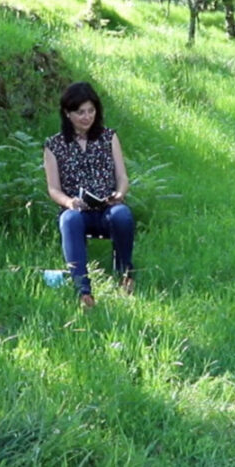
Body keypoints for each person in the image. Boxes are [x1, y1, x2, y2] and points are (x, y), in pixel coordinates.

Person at [43, 82, 135, 308]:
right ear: (67, 113)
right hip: (78, 211)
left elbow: (123, 177)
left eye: (91, 111)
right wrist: (69, 202)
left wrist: (119, 193)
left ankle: (125, 274)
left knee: (122, 215)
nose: (87, 117)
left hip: (107, 208)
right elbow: (53, 188)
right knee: (69, 218)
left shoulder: (108, 137)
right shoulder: (54, 145)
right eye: (80, 112)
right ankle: (83, 290)